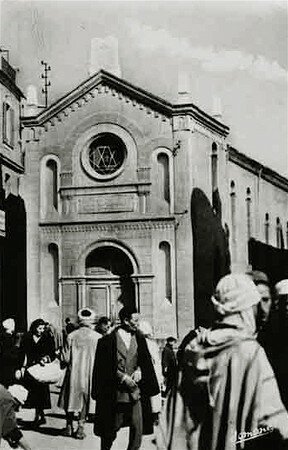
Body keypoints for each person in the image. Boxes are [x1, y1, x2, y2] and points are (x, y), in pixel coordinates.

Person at [180, 273, 288, 450]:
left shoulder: (194, 347)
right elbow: (272, 423)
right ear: (244, 308)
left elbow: (179, 418)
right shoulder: (250, 352)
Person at [92, 306, 159, 450]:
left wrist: (141, 370)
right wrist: (122, 377)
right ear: (126, 321)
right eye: (135, 320)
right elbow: (103, 368)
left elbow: (144, 361)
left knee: (137, 426)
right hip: (116, 392)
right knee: (111, 428)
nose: (138, 323)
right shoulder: (107, 341)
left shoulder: (140, 339)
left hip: (135, 392)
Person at [58, 307, 102, 439]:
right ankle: (81, 427)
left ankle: (69, 425)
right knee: (85, 400)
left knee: (71, 398)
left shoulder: (71, 336)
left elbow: (65, 358)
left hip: (73, 372)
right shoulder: (98, 337)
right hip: (90, 373)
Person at [20, 318, 56, 427]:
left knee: (42, 392)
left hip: (42, 369)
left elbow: (52, 353)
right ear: (34, 327)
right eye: (39, 328)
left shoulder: (47, 338)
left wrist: (46, 358)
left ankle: (40, 415)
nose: (41, 330)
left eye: (43, 328)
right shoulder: (27, 337)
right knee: (32, 392)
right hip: (31, 368)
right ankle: (38, 415)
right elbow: (22, 352)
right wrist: (22, 367)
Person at [0, 383, 32, 450]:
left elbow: (5, 426)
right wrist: (28, 449)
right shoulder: (8, 401)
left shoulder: (3, 391)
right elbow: (13, 430)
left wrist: (9, 440)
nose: (18, 409)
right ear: (15, 399)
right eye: (19, 404)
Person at [0, 319, 23, 388]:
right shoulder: (8, 338)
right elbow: (12, 354)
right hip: (9, 368)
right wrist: (17, 344)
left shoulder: (4, 336)